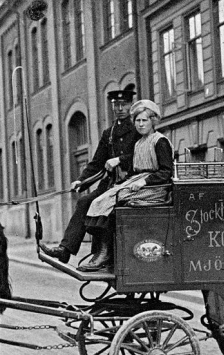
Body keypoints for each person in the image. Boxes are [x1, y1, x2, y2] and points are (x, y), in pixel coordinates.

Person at [40, 88, 141, 263]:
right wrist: (80, 180)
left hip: (133, 183)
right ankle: (65, 249)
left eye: (124, 104)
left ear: (131, 105)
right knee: (84, 201)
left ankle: (104, 252)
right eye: (116, 105)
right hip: (111, 183)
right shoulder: (108, 133)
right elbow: (96, 162)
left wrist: (120, 160)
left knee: (101, 205)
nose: (120, 108)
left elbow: (143, 155)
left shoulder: (139, 129)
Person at [77, 99, 173, 272]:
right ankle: (102, 252)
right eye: (138, 121)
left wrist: (144, 181)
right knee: (102, 199)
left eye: (145, 120)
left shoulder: (160, 141)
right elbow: (132, 170)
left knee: (115, 203)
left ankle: (106, 254)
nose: (141, 124)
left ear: (153, 121)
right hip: (137, 183)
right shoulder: (138, 143)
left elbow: (166, 171)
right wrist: (122, 183)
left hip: (155, 188)